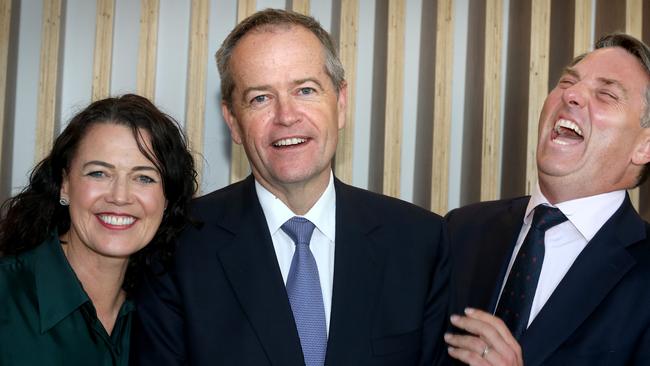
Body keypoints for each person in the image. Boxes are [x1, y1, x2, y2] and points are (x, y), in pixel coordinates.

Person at [131, 8, 450, 366]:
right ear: (233, 121)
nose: (286, 115)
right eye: (260, 98)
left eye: (305, 90)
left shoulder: (420, 241)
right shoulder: (177, 245)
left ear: (341, 103)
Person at [444, 33, 650, 366]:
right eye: (567, 81)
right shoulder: (461, 229)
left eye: (606, 94)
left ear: (644, 146)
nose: (571, 94)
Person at [0, 94, 197, 365]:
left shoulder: (168, 314)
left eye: (143, 177)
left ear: (166, 200)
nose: (119, 196)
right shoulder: (6, 297)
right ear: (64, 184)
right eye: (98, 173)